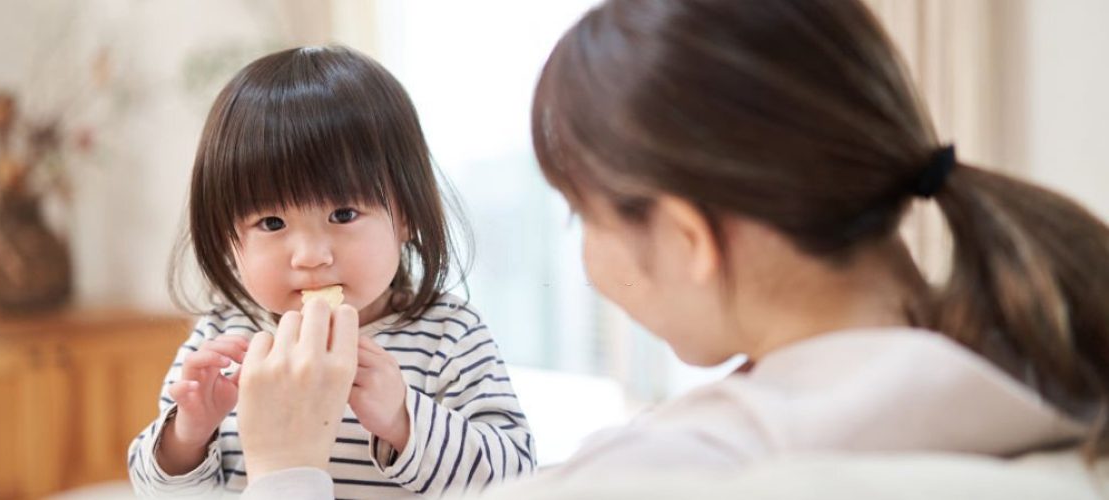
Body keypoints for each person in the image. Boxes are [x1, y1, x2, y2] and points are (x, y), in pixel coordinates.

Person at [237, 0, 1109, 497]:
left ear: (687, 238)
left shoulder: (673, 473)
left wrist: (286, 467)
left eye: (582, 214)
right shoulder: (1038, 389)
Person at [126, 45, 536, 498]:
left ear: (405, 216)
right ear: (227, 237)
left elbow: (518, 479)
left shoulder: (448, 335)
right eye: (272, 223)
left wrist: (404, 419)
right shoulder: (222, 338)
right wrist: (188, 434)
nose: (309, 256)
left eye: (343, 215)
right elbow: (153, 489)